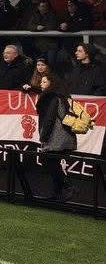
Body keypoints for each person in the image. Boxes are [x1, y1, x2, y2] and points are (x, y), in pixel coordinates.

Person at [35, 71, 77, 202]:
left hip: (56, 137)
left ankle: (69, 186)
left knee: (48, 161)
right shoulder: (62, 96)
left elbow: (49, 119)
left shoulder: (52, 98)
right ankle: (57, 193)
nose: (41, 84)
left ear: (51, 83)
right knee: (54, 163)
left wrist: (43, 137)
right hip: (66, 136)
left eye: (44, 82)